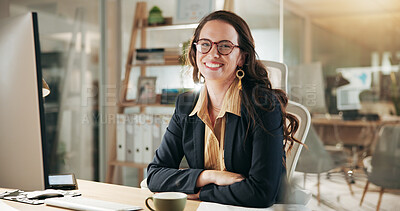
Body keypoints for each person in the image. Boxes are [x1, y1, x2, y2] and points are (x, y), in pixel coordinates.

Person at [146, 10, 300, 208]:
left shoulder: (263, 105)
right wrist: (209, 176)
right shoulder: (186, 105)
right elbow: (155, 175)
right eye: (205, 44)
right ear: (195, 51)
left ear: (242, 58)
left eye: (225, 46)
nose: (213, 53)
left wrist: (200, 192)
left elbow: (262, 192)